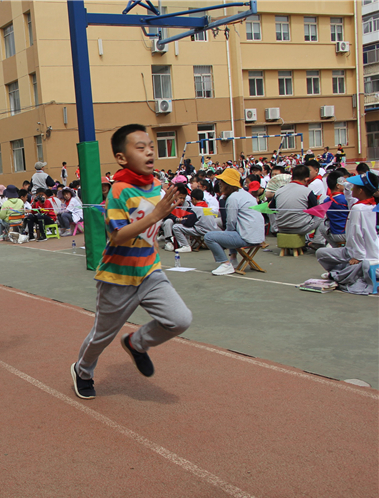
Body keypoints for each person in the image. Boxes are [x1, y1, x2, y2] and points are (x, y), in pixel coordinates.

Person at [70, 124, 192, 400]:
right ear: (122, 158)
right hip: (117, 278)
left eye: (150, 146)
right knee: (101, 336)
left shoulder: (159, 186)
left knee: (180, 319)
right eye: (140, 148)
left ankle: (136, 344)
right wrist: (155, 215)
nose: (149, 152)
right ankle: (83, 370)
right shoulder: (118, 192)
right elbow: (116, 235)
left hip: (149, 271)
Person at [316, 172, 379, 294]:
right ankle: (351, 269)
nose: (351, 188)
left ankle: (348, 271)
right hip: (370, 249)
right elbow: (350, 199)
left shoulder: (358, 208)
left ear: (360, 191)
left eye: (354, 186)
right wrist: (348, 186)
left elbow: (356, 233)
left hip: (356, 251)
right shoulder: (370, 204)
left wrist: (358, 256)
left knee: (321, 253)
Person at [203, 168, 265, 275]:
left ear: (229, 184)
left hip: (247, 237)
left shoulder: (233, 198)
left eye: (222, 182)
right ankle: (233, 259)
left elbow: (231, 222)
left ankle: (225, 264)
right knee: (229, 232)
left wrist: (225, 235)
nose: (219, 184)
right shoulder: (245, 195)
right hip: (257, 236)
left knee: (209, 237)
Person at [271, 165, 325, 248]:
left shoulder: (279, 190)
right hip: (299, 228)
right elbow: (315, 211)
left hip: (281, 227)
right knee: (323, 213)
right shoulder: (307, 191)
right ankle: (318, 241)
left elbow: (271, 207)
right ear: (306, 179)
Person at [172, 189, 219, 253]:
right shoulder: (207, 207)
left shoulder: (196, 208)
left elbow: (188, 223)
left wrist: (182, 221)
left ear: (193, 199)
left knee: (176, 227)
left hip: (202, 230)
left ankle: (185, 246)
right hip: (212, 230)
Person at [322, 170, 349, 246]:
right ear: (338, 185)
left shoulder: (326, 200)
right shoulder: (345, 199)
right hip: (346, 234)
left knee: (322, 225)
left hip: (334, 234)